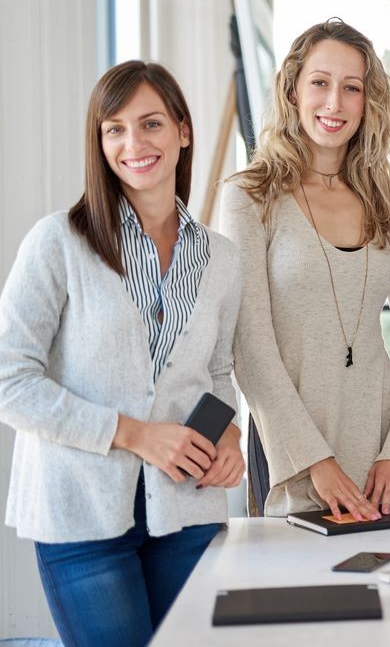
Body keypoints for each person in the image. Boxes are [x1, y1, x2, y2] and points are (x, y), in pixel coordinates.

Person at [0, 61, 244, 647]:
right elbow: (10, 381)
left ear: (183, 131)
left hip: (187, 510)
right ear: (100, 141)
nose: (134, 143)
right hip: (80, 518)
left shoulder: (221, 257)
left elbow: (216, 373)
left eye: (151, 124)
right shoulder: (58, 242)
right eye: (114, 129)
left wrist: (228, 438)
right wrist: (134, 433)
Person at [220, 19, 390, 520]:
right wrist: (316, 460)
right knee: (298, 594)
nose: (334, 103)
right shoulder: (250, 196)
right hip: (293, 449)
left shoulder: (389, 199)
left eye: (351, 88)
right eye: (320, 82)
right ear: (293, 90)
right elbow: (249, 344)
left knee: (385, 591)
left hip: (381, 452)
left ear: (368, 102)